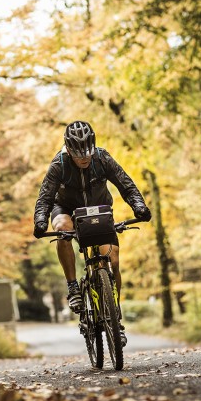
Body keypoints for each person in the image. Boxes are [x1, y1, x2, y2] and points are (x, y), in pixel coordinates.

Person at [33, 120, 151, 345]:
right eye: (79, 155)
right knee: (61, 229)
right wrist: (40, 220)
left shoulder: (102, 157)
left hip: (99, 210)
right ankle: (73, 287)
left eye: (87, 152)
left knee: (112, 260)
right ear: (69, 149)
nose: (84, 158)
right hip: (65, 209)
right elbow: (45, 198)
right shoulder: (59, 164)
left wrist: (139, 206)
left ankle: (115, 316)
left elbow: (126, 185)